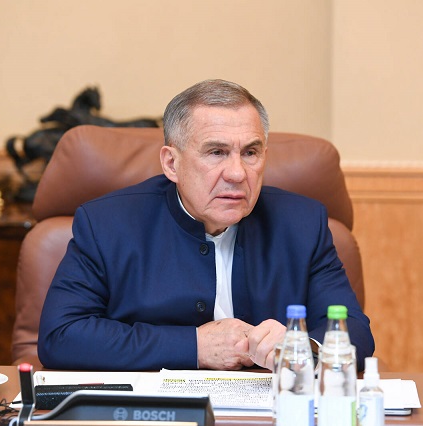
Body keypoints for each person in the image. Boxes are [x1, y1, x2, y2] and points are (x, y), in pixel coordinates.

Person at [38, 79, 374, 371]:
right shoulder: (108, 224)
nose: (237, 173)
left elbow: (355, 333)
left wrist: (299, 347)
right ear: (172, 163)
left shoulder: (302, 224)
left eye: (251, 153)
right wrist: (195, 346)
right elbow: (61, 335)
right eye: (216, 152)